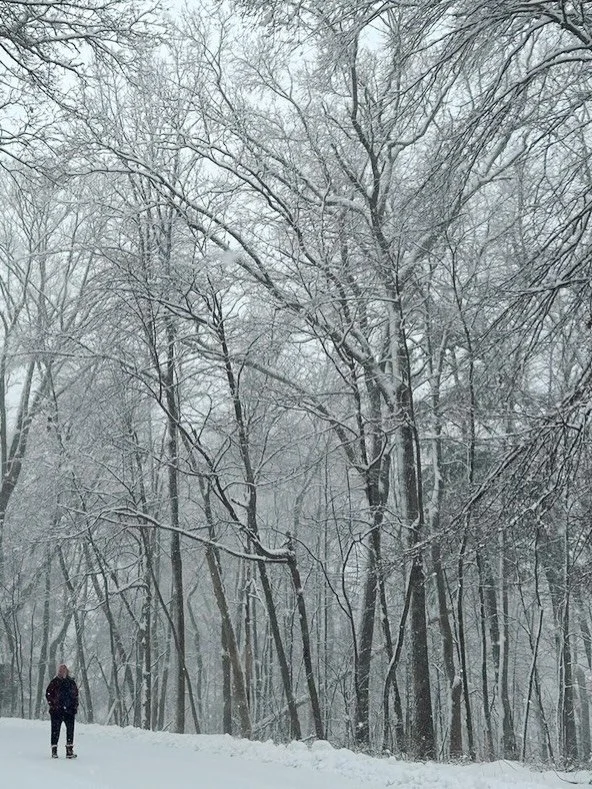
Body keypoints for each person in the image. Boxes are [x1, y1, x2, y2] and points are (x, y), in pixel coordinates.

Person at [45, 663, 79, 759]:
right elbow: (48, 694)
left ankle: (69, 750)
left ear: (67, 671)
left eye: (64, 670)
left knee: (70, 730)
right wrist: (53, 705)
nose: (62, 672)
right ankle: (54, 751)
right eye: (60, 670)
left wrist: (74, 707)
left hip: (69, 711)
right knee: (55, 730)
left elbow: (75, 695)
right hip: (56, 711)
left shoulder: (71, 682)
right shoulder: (54, 682)